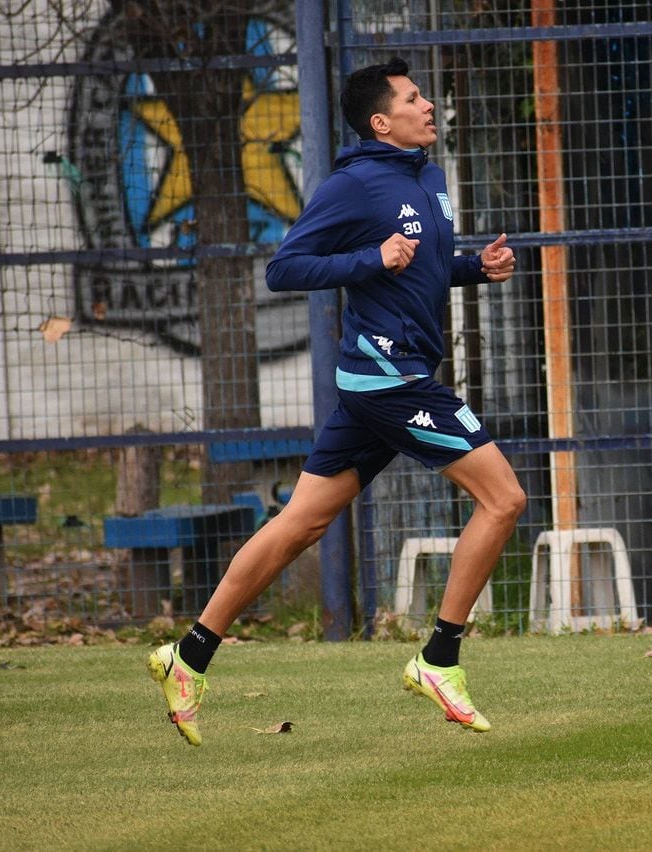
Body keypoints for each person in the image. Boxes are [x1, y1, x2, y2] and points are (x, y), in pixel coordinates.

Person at [148, 56, 525, 745]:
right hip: (392, 381)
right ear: (382, 121)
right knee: (504, 500)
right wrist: (369, 260)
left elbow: (424, 262)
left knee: (303, 524)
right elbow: (285, 266)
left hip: (381, 381)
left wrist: (476, 268)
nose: (429, 105)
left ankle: (188, 655)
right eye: (415, 99)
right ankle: (440, 658)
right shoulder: (353, 186)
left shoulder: (428, 176)